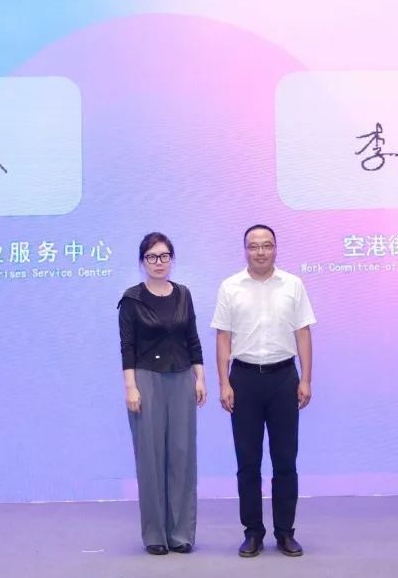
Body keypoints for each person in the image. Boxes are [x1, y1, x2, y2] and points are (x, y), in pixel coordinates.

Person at [211, 224, 316, 558]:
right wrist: (224, 382)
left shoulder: (293, 284)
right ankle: (253, 532)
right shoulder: (230, 286)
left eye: (266, 245)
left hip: (284, 378)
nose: (260, 251)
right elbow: (223, 337)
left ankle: (285, 533)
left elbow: (303, 333)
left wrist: (306, 379)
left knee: (285, 461)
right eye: (254, 246)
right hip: (244, 380)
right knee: (248, 463)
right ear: (245, 250)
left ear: (275, 248)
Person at [118, 232, 207, 555]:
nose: (159, 262)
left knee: (182, 455)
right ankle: (155, 534)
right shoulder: (132, 299)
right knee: (151, 458)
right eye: (152, 257)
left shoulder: (183, 294)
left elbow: (192, 338)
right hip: (146, 380)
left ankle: (181, 533)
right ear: (142, 262)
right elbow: (127, 347)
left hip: (182, 378)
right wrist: (131, 387)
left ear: (172, 259)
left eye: (164, 256)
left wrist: (200, 377)